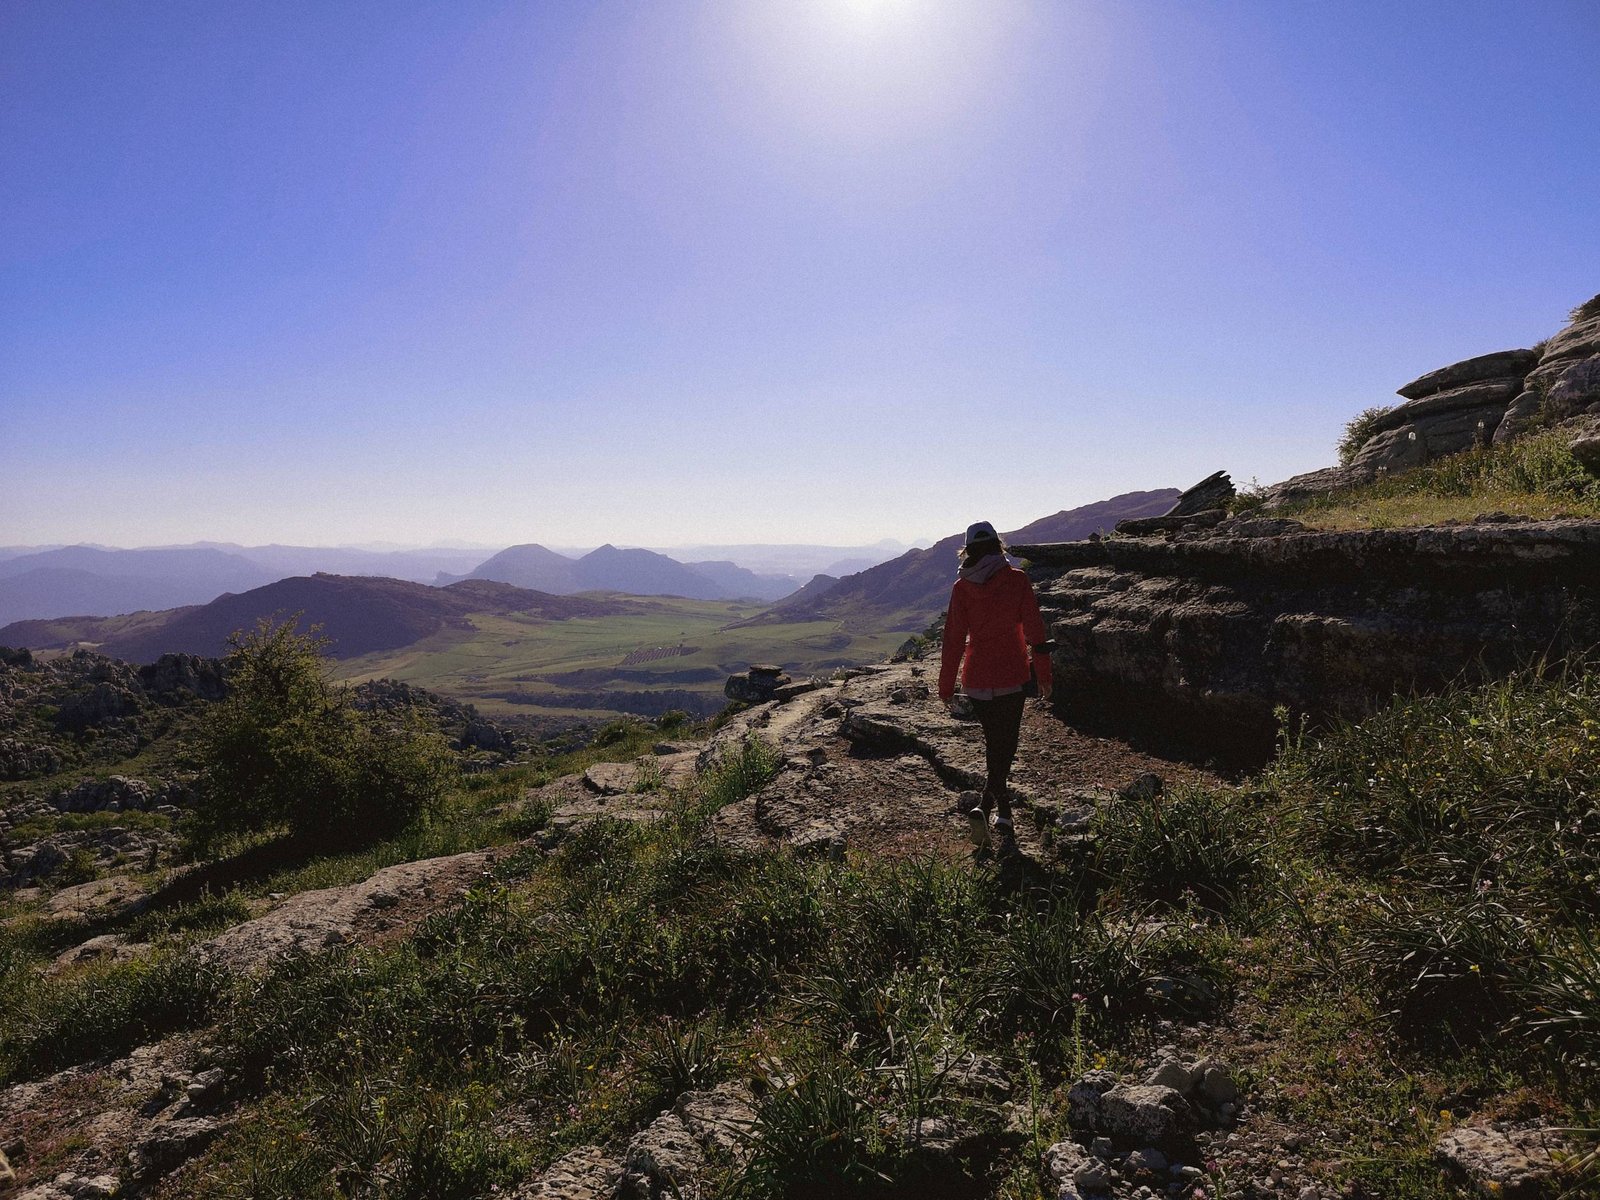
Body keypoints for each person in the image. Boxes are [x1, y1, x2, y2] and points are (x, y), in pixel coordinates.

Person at [937, 520, 1054, 846]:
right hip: (1011, 675)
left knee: (995, 745)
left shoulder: (961, 588)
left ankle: (1000, 811)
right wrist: (1043, 674)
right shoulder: (1017, 580)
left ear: (969, 550)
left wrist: (946, 686)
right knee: (1006, 746)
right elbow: (1036, 633)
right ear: (998, 546)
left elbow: (953, 640)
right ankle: (988, 807)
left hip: (976, 679)